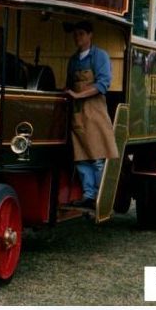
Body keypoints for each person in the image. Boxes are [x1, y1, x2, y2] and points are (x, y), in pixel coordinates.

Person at [65, 21, 119, 209]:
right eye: (75, 34)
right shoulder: (73, 60)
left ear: (90, 35)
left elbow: (103, 84)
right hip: (77, 113)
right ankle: (88, 196)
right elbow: (69, 85)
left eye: (81, 34)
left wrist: (79, 94)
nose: (77, 37)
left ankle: (100, 197)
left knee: (97, 156)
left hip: (95, 112)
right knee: (80, 157)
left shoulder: (100, 56)